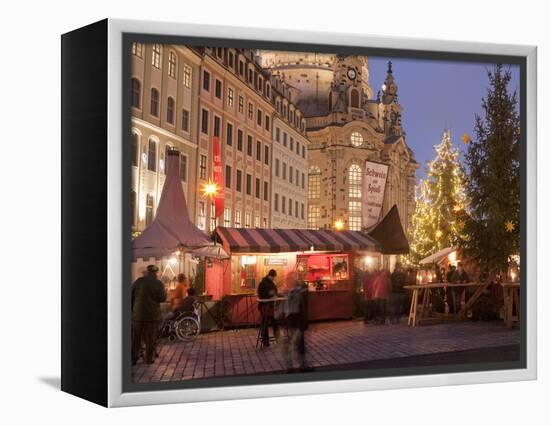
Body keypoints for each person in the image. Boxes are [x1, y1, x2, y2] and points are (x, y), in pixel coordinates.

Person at [132, 265, 167, 365]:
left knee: (136, 338)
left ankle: (133, 359)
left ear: (147, 272)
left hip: (138, 315)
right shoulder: (159, 283)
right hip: (152, 316)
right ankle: (148, 359)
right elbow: (162, 298)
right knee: (150, 338)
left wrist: (133, 311)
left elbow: (131, 295)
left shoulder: (138, 281)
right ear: (156, 273)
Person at [283, 276, 312, 372]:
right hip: (297, 323)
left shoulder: (290, 293)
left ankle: (292, 366)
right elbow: (298, 311)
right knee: (299, 344)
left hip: (292, 323)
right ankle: (300, 366)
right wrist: (303, 323)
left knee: (295, 344)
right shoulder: (296, 295)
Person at [257, 269, 279, 346]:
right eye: (273, 277)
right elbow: (261, 294)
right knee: (268, 323)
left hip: (269, 306)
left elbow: (275, 291)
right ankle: (267, 341)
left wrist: (275, 294)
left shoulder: (269, 283)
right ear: (271, 275)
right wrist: (271, 295)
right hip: (265, 306)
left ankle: (267, 341)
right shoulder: (263, 283)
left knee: (267, 323)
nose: (274, 278)